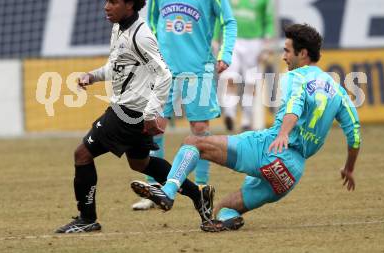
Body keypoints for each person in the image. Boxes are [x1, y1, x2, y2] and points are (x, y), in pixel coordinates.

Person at [130, 23, 361, 231]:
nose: (283, 57)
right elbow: (355, 135)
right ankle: (230, 217)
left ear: (303, 54)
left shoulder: (295, 77)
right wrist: (349, 168)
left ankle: (168, 193)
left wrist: (283, 133)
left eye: (287, 51)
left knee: (194, 143)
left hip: (270, 148)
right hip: (292, 173)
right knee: (221, 210)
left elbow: (294, 105)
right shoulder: (337, 90)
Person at [55, 0, 214, 233]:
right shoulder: (119, 28)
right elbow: (117, 65)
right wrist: (92, 76)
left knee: (82, 155)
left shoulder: (141, 36)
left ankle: (87, 218)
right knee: (140, 164)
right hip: (130, 111)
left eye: (113, 2)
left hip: (127, 112)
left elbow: (164, 73)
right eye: (106, 1)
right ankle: (198, 195)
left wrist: (152, 114)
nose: (106, 6)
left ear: (129, 4)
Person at [131, 0, 237, 210]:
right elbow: (151, 24)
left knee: (200, 128)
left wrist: (225, 54)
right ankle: (153, 189)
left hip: (199, 69)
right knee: (153, 127)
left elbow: (229, 22)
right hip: (164, 71)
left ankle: (201, 187)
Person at [218, 0, 274, 132]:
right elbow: (219, 15)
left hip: (254, 42)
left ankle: (246, 120)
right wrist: (215, 38)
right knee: (230, 77)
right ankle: (230, 113)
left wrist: (267, 42)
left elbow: (269, 20)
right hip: (233, 41)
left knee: (251, 83)